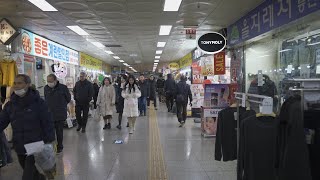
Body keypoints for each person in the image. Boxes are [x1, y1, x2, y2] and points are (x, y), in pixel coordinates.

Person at [0, 74, 55, 180]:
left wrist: (49, 140)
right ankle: (40, 178)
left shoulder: (39, 103)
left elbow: (47, 122)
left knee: (27, 176)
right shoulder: (10, 105)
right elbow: (2, 121)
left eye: (19, 83)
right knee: (28, 169)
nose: (16, 86)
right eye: (14, 83)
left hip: (35, 145)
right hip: (19, 145)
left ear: (28, 85)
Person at [44, 74, 71, 153]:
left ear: (55, 80)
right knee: (50, 131)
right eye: (48, 81)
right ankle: (52, 146)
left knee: (59, 131)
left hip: (60, 113)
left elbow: (68, 99)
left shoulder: (63, 88)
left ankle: (60, 146)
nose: (49, 83)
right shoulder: (46, 88)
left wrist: (61, 105)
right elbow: (46, 99)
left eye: (51, 81)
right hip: (49, 114)